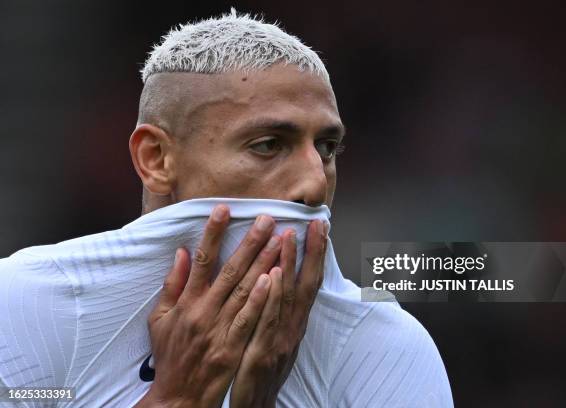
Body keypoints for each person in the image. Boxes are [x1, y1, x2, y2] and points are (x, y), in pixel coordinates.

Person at [0, 10, 453, 407]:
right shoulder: (26, 305)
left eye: (327, 147)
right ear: (156, 160)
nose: (316, 183)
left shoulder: (386, 347)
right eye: (268, 145)